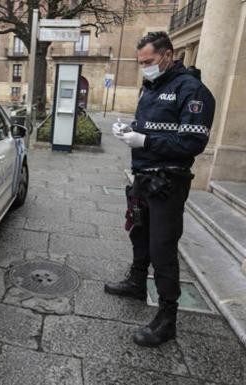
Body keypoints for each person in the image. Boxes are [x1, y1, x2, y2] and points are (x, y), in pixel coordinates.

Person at [105, 31, 215, 347]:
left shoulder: (192, 91)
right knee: (138, 233)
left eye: (149, 61)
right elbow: (150, 127)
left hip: (168, 182)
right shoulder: (152, 88)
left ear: (167, 55)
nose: (145, 67)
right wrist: (130, 130)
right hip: (142, 177)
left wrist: (146, 141)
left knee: (163, 249)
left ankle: (167, 319)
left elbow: (192, 142)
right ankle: (137, 282)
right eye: (141, 63)